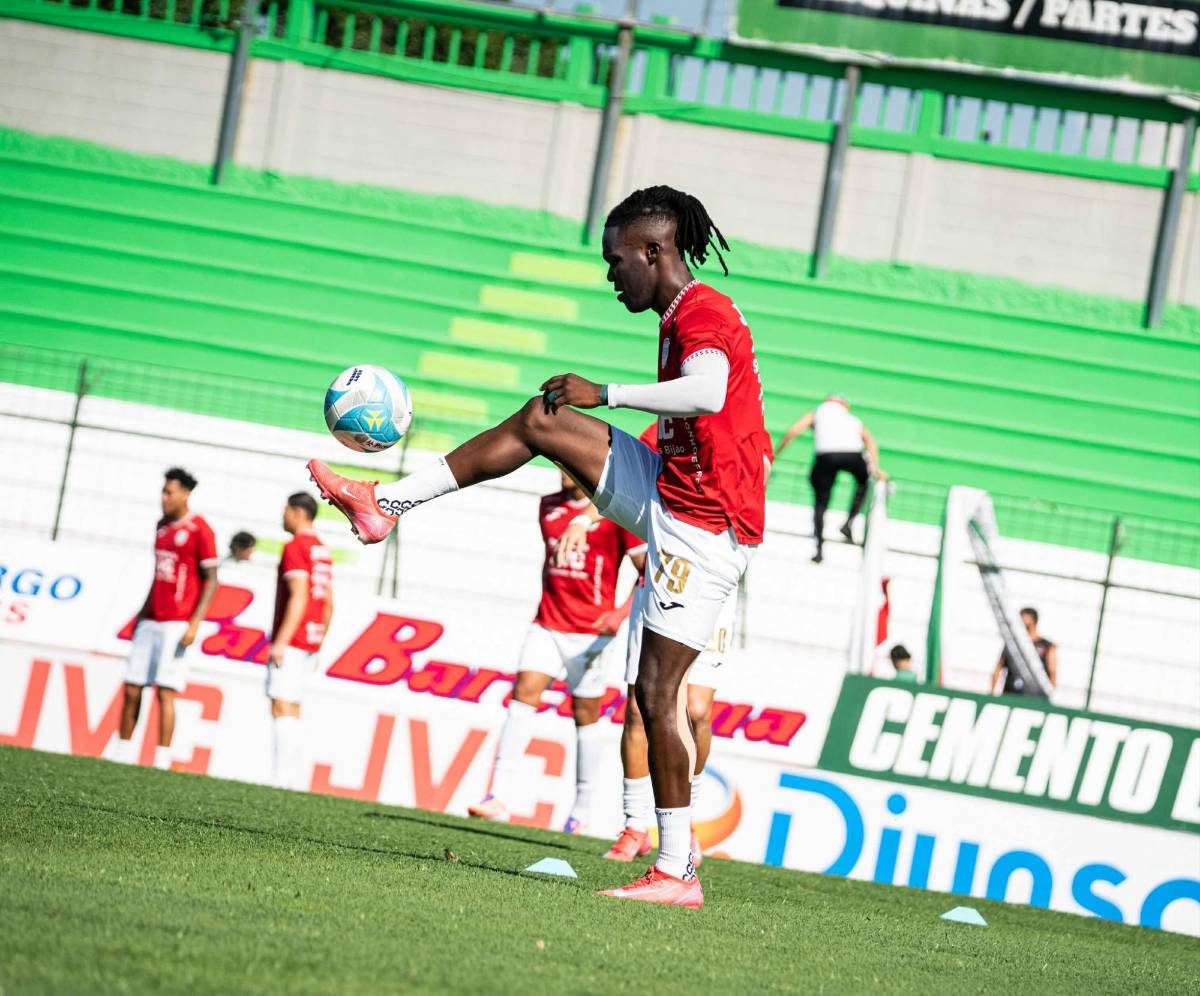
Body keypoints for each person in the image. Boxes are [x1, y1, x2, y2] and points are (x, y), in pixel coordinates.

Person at [308, 185, 770, 908]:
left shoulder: (702, 311)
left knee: (657, 696)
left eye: (618, 261)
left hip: (704, 526)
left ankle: (676, 869)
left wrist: (606, 390)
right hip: (674, 491)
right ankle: (384, 505)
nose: (611, 274)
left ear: (655, 252)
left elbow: (707, 393)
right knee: (540, 419)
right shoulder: (680, 312)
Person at [558, 423, 734, 865]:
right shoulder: (665, 426)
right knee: (638, 706)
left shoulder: (742, 427)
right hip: (658, 579)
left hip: (711, 583)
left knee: (695, 710)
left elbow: (749, 494)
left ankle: (683, 824)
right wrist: (584, 516)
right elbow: (627, 481)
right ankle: (635, 824)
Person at [467, 469, 645, 832]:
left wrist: (619, 613)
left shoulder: (613, 515)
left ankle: (581, 811)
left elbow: (646, 571)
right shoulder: (547, 506)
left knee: (586, 716)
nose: (562, 470)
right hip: (546, 624)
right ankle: (497, 795)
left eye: (569, 465)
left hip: (591, 633)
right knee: (523, 695)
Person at [114, 468, 218, 769]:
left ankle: (162, 759)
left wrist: (195, 622)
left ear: (185, 494)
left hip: (177, 622)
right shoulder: (161, 526)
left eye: (169, 492)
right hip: (151, 619)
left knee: (166, 691)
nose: (164, 498)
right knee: (133, 687)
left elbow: (211, 579)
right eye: (163, 491)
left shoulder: (200, 529)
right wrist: (140, 615)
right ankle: (122, 753)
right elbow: (158, 574)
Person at [267, 493, 333, 789]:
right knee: (293, 706)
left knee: (281, 705)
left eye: (285, 511)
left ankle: (282, 778)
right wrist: (320, 639)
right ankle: (291, 777)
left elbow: (299, 594)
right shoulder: (322, 549)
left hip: (294, 637)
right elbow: (329, 602)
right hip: (312, 637)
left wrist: (281, 640)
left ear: (297, 513)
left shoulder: (295, 547)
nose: (283, 516)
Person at [776, 395, 887, 563]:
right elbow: (870, 441)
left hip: (825, 456)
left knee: (821, 501)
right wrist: (875, 468)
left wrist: (775, 454)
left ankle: (819, 549)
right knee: (863, 481)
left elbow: (793, 431)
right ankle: (849, 521)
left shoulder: (817, 413)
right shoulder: (852, 419)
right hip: (853, 454)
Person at [991, 607, 1057, 695]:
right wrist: (992, 692)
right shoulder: (1012, 643)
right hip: (1010, 694)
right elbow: (999, 667)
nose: (1019, 623)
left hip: (1033, 699)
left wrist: (1049, 697)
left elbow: (1052, 672)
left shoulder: (1047, 646)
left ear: (1033, 621)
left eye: (1023, 619)